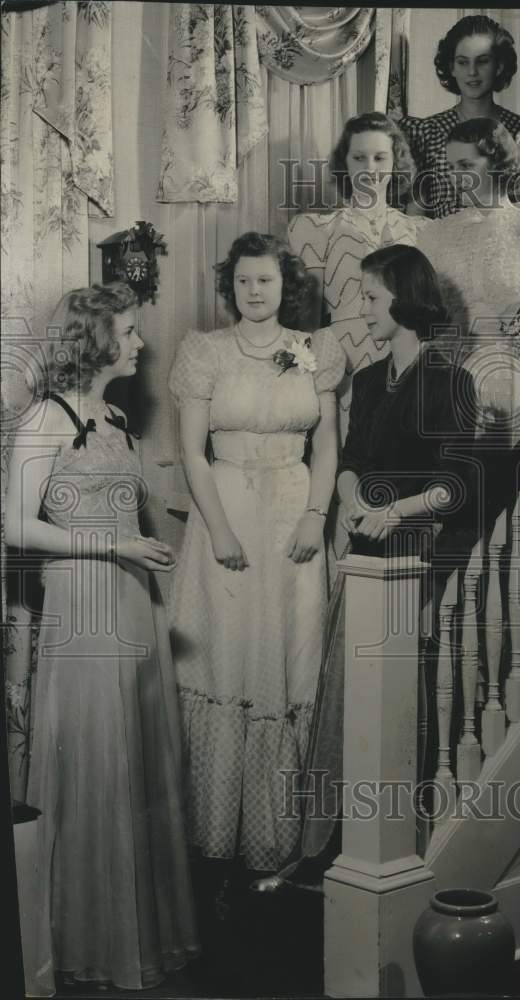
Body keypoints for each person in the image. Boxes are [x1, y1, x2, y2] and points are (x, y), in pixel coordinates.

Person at [251, 245, 480, 893]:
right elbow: (351, 458)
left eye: (372, 298)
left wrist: (398, 512)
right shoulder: (369, 379)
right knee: (348, 696)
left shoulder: (453, 381)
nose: (363, 310)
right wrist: (352, 496)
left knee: (402, 706)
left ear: (405, 303)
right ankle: (334, 851)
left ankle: (398, 852)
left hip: (419, 562)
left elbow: (456, 486)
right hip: (365, 556)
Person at [5, 283, 199, 991]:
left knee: (135, 762)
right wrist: (110, 547)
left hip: (132, 601)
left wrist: (142, 552)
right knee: (94, 760)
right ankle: (82, 940)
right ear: (98, 339)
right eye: (130, 331)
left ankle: (134, 932)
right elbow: (13, 527)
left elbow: (133, 520)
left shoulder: (114, 416)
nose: (142, 344)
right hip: (82, 601)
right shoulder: (44, 421)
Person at [167, 232, 344, 885]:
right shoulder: (205, 352)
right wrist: (216, 531)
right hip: (229, 513)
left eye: (265, 280)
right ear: (230, 286)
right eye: (244, 281)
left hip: (295, 517)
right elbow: (190, 451)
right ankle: (215, 840)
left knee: (291, 659)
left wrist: (316, 515)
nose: (254, 291)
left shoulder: (310, 351)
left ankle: (279, 839)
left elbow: (326, 448)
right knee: (229, 657)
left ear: (284, 284)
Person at [417, 117, 520, 434]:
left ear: (497, 162)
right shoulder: (433, 235)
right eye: (451, 167)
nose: (456, 178)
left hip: (512, 376)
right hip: (447, 375)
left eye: (466, 165)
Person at [287, 111, 426, 447]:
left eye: (380, 157)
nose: (370, 169)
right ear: (344, 163)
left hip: (408, 360)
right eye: (359, 158)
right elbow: (307, 317)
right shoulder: (315, 229)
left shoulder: (422, 230)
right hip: (344, 361)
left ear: (395, 162)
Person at [398, 14, 520, 219]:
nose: (472, 72)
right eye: (462, 62)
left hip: (508, 247)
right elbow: (414, 218)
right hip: (444, 248)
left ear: (499, 66)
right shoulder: (425, 133)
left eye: (482, 61)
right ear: (451, 68)